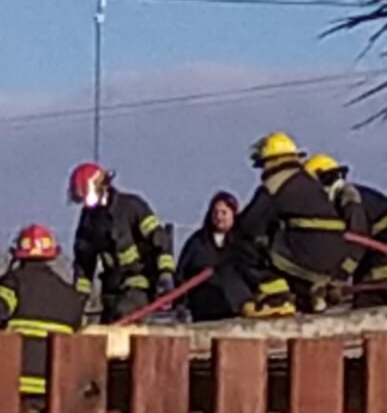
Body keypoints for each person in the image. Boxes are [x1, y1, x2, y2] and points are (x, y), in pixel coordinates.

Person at [234, 132, 364, 318]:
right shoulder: (309, 182)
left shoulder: (275, 185)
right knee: (289, 240)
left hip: (308, 253)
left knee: (245, 246)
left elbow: (249, 224)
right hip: (335, 260)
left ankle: (276, 298)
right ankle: (311, 296)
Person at [305, 153, 387, 308]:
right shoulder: (345, 198)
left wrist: (338, 278)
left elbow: (356, 242)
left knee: (367, 305)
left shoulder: (349, 199)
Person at [69, 163, 176, 324]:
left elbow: (159, 240)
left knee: (123, 321)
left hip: (140, 284)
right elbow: (84, 262)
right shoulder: (88, 220)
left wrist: (166, 274)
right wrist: (79, 298)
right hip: (111, 289)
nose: (86, 204)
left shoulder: (131, 207)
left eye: (87, 197)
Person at [0, 225, 84, 405]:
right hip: (54, 390)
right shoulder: (70, 295)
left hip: (14, 387)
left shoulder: (13, 283)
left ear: (17, 253)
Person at [177, 192, 251, 322]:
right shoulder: (197, 242)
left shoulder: (244, 242)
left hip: (237, 311)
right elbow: (182, 274)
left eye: (223, 212)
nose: (219, 217)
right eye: (215, 212)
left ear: (234, 214)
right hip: (204, 312)